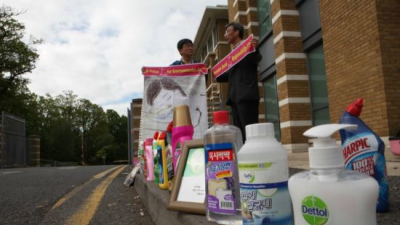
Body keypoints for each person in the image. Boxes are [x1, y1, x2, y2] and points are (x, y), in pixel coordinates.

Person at [215, 22, 262, 142]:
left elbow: (256, 58)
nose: (225, 35)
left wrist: (255, 49)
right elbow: (228, 76)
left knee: (250, 131)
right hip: (235, 98)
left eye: (227, 31)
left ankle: (253, 156)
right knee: (239, 131)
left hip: (246, 96)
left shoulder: (248, 47)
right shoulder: (231, 57)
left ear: (236, 32)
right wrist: (214, 72)